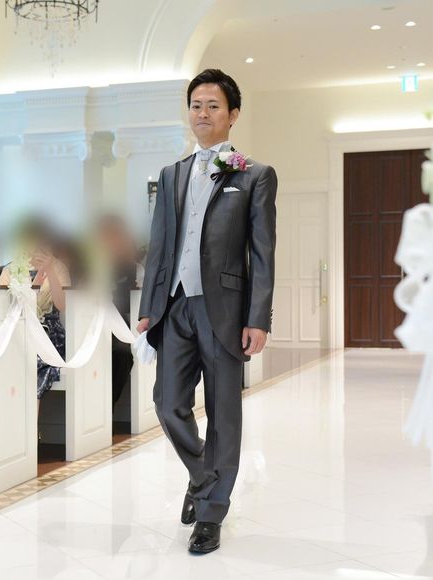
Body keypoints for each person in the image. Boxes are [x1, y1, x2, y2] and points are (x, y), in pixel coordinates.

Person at [136, 69, 277, 554]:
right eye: (196, 104)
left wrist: (258, 317)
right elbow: (160, 247)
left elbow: (262, 253)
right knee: (167, 404)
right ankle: (203, 478)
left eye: (213, 105)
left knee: (223, 415)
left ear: (232, 114)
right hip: (175, 306)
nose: (202, 113)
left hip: (226, 311)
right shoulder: (171, 175)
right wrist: (149, 308)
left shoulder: (253, 174)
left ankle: (211, 514)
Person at [0, 220, 71, 412]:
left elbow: (63, 305)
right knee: (9, 362)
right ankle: (10, 422)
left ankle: (30, 426)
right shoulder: (11, 269)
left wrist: (49, 271)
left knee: (32, 364)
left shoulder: (58, 267)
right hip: (17, 331)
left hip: (47, 334)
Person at [96, 214, 141, 410]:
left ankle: (107, 408)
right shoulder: (89, 266)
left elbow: (134, 303)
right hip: (89, 321)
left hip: (119, 323)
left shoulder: (132, 268)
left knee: (122, 354)